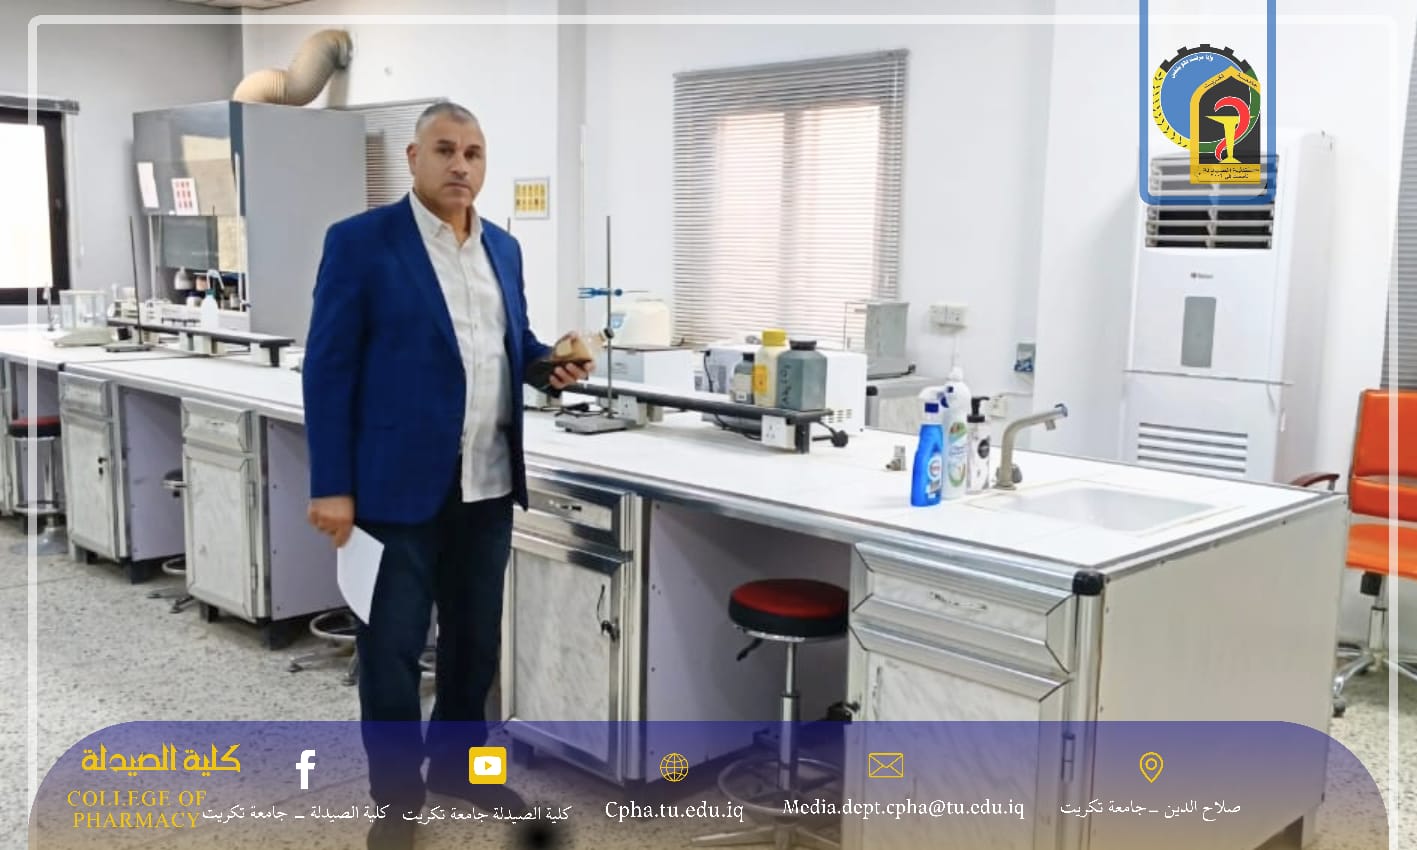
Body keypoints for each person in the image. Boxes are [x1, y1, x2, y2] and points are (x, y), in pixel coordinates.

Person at [301, 101, 589, 850]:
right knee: (392, 652)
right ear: (414, 157)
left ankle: (465, 769)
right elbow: (328, 370)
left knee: (474, 647)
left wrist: (547, 366)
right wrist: (331, 485)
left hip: (486, 485)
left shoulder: (504, 249)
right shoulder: (361, 243)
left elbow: (507, 344)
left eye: (474, 153)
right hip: (393, 491)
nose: (461, 165)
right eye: (445, 150)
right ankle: (397, 801)